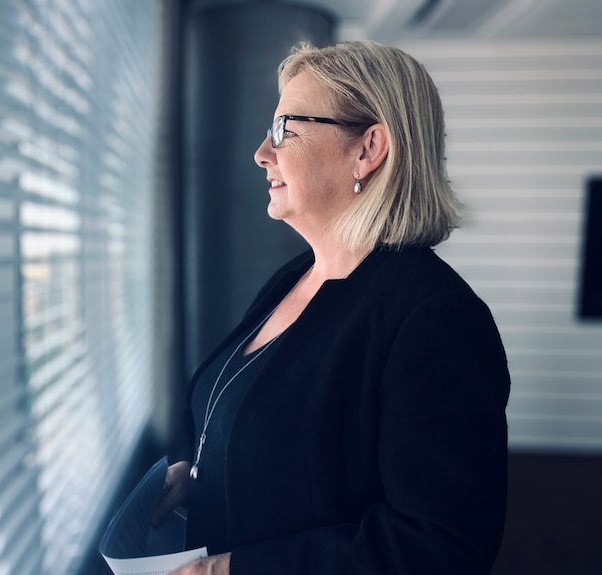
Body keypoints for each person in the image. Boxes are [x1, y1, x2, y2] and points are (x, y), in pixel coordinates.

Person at [152, 40, 511, 575]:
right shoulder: (294, 277)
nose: (261, 153)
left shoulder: (436, 319)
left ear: (368, 148)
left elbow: (440, 549)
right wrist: (204, 476)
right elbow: (295, 444)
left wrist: (228, 570)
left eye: (284, 131)